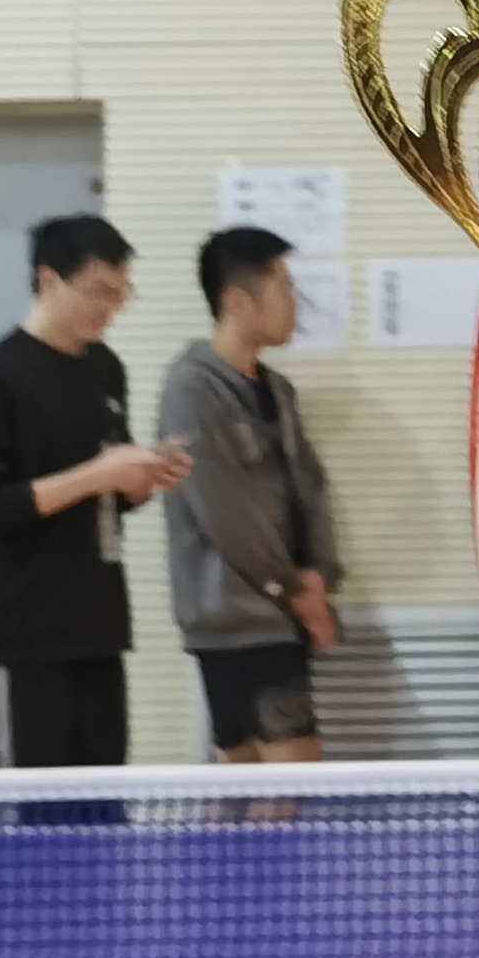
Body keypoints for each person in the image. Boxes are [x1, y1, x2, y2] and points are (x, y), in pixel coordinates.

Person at [0, 214, 188, 768]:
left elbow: (112, 494)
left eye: (121, 295)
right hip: (25, 635)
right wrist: (99, 474)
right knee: (34, 805)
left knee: (101, 802)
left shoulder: (105, 369)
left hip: (99, 627)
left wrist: (144, 477)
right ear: (49, 280)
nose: (110, 309)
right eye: (99, 291)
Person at [160, 226, 342, 763]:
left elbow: (310, 489)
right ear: (239, 301)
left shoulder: (278, 391)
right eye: (284, 286)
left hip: (280, 619)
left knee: (247, 784)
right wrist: (297, 594)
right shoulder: (192, 387)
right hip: (238, 621)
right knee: (288, 780)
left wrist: (320, 575)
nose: (295, 304)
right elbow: (227, 513)